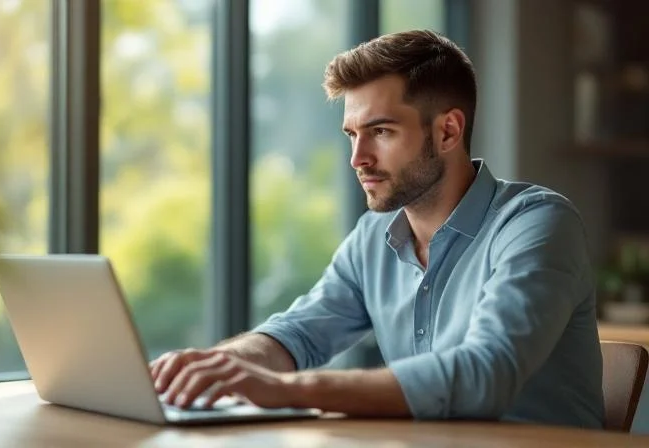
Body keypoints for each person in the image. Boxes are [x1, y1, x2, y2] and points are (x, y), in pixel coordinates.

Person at [150, 29, 605, 428]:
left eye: (381, 131)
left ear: (448, 131)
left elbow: (485, 374)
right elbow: (299, 335)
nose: (358, 158)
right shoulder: (373, 237)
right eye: (352, 134)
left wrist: (288, 389)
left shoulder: (537, 223)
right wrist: (211, 367)